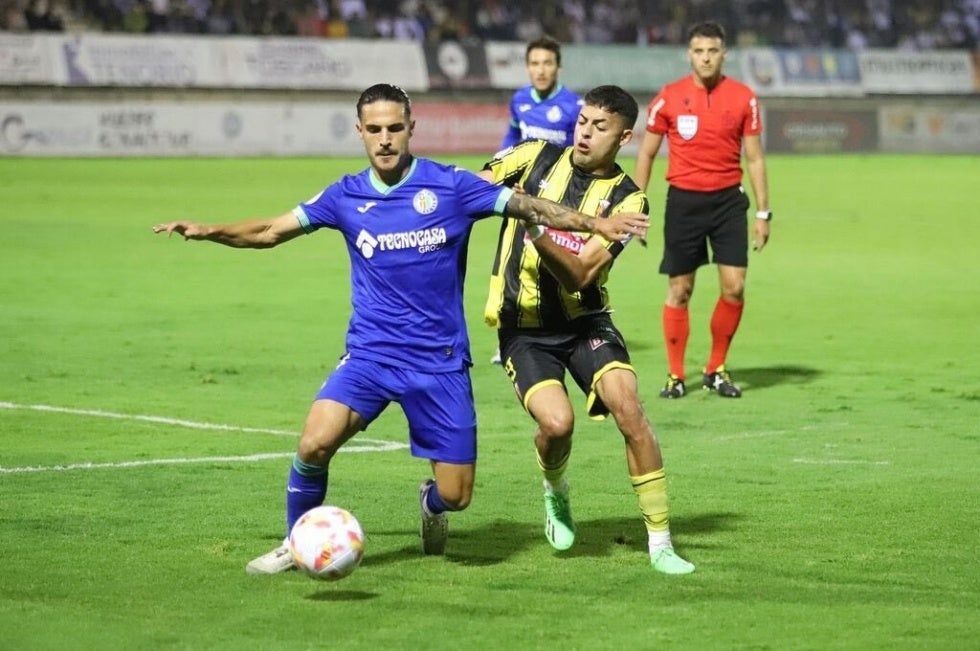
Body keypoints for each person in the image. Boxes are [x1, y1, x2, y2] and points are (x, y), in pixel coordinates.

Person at [152, 83, 649, 575]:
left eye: (394, 128)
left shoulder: (451, 185)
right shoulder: (344, 195)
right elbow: (269, 231)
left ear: (412, 129)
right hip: (370, 357)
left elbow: (529, 206)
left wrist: (593, 224)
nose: (385, 139)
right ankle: (296, 539)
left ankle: (431, 505)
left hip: (439, 364)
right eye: (374, 130)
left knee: (457, 495)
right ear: (360, 133)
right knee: (313, 444)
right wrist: (209, 231)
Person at [481, 85, 695, 574]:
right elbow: (472, 186)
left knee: (630, 410)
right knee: (557, 426)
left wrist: (533, 223)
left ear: (623, 138)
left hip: (585, 323)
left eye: (600, 127)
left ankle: (660, 543)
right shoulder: (533, 155)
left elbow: (580, 274)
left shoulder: (629, 201)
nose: (585, 133)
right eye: (582, 121)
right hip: (525, 326)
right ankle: (555, 489)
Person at [633, 20, 772, 400]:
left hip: (728, 201)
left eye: (712, 51)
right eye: (699, 51)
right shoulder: (669, 97)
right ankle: (676, 375)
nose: (706, 58)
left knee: (735, 286)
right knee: (680, 289)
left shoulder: (745, 98)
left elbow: (755, 158)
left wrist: (763, 213)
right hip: (684, 202)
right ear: (689, 54)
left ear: (724, 54)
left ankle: (716, 368)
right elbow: (646, 153)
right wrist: (636, 205)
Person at [492, 34, 583, 364]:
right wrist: (501, 169)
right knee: (512, 264)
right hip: (521, 196)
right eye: (534, 63)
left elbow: (580, 155)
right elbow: (512, 137)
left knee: (552, 264)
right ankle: (510, 336)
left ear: (558, 66)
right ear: (527, 67)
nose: (541, 70)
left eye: (547, 63)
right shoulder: (520, 100)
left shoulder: (574, 107)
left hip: (557, 199)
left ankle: (557, 330)